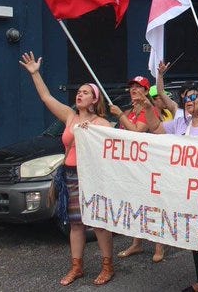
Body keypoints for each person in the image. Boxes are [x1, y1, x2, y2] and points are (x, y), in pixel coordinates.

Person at [19, 52, 115, 286]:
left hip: (91, 177)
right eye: (79, 92)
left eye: (85, 92)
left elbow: (112, 151)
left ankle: (107, 266)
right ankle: (77, 267)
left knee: (98, 223)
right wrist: (35, 73)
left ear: (95, 99)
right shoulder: (70, 116)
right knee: (75, 223)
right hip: (70, 175)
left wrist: (91, 132)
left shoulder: (102, 123)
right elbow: (46, 97)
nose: (79, 95)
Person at [144, 84, 198, 292]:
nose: (188, 101)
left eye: (193, 97)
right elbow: (156, 129)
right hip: (188, 193)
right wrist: (147, 107)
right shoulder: (182, 123)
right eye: (186, 98)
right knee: (195, 236)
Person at [110, 76, 165, 264]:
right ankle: (137, 242)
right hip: (134, 166)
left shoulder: (151, 111)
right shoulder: (130, 111)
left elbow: (137, 133)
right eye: (132, 86)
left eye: (138, 86)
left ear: (146, 91)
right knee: (136, 203)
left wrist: (120, 115)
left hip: (150, 165)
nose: (134, 89)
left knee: (153, 204)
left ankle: (159, 246)